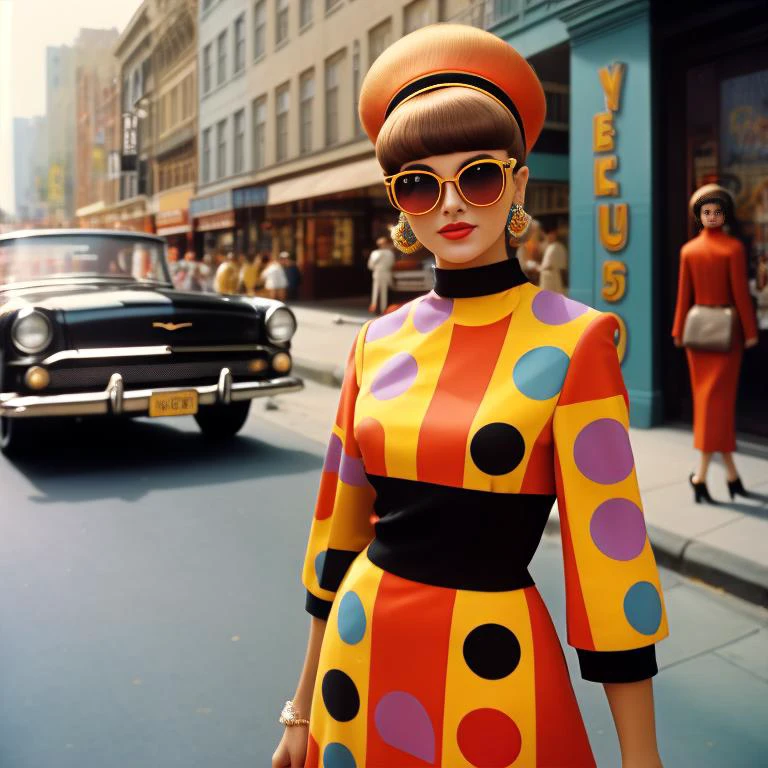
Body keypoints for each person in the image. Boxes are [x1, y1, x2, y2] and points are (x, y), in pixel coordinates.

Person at [273, 24, 668, 768]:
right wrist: (299, 706)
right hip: (358, 658)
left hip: (494, 673)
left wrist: (641, 760)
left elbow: (612, 566)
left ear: (518, 183)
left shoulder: (576, 341)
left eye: (478, 175)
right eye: (419, 183)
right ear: (400, 205)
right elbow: (335, 539)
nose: (450, 204)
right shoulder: (374, 342)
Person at [672, 184, 759, 503]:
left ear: (725, 214)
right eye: (706, 212)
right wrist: (678, 329)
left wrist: (680, 330)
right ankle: (707, 476)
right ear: (699, 216)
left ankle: (717, 476)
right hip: (720, 335)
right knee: (713, 405)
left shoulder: (723, 249)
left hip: (714, 336)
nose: (712, 217)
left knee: (713, 406)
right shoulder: (706, 250)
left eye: (717, 212)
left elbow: (740, 293)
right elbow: (685, 294)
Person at [535, 224, 568, 294]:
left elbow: (549, 264)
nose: (549, 237)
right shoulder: (550, 247)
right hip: (548, 276)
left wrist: (538, 268)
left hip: (551, 276)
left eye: (551, 235)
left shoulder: (556, 247)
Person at [367, 236, 396, 313]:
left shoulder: (375, 253)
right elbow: (391, 264)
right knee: (383, 292)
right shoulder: (389, 253)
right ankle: (383, 309)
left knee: (376, 291)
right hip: (385, 273)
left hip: (377, 273)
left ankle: (376, 308)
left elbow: (370, 265)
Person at [516, 217, 543, 282]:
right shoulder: (522, 245)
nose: (535, 234)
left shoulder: (539, 245)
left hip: (537, 277)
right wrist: (533, 265)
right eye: (533, 231)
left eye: (536, 231)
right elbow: (522, 263)